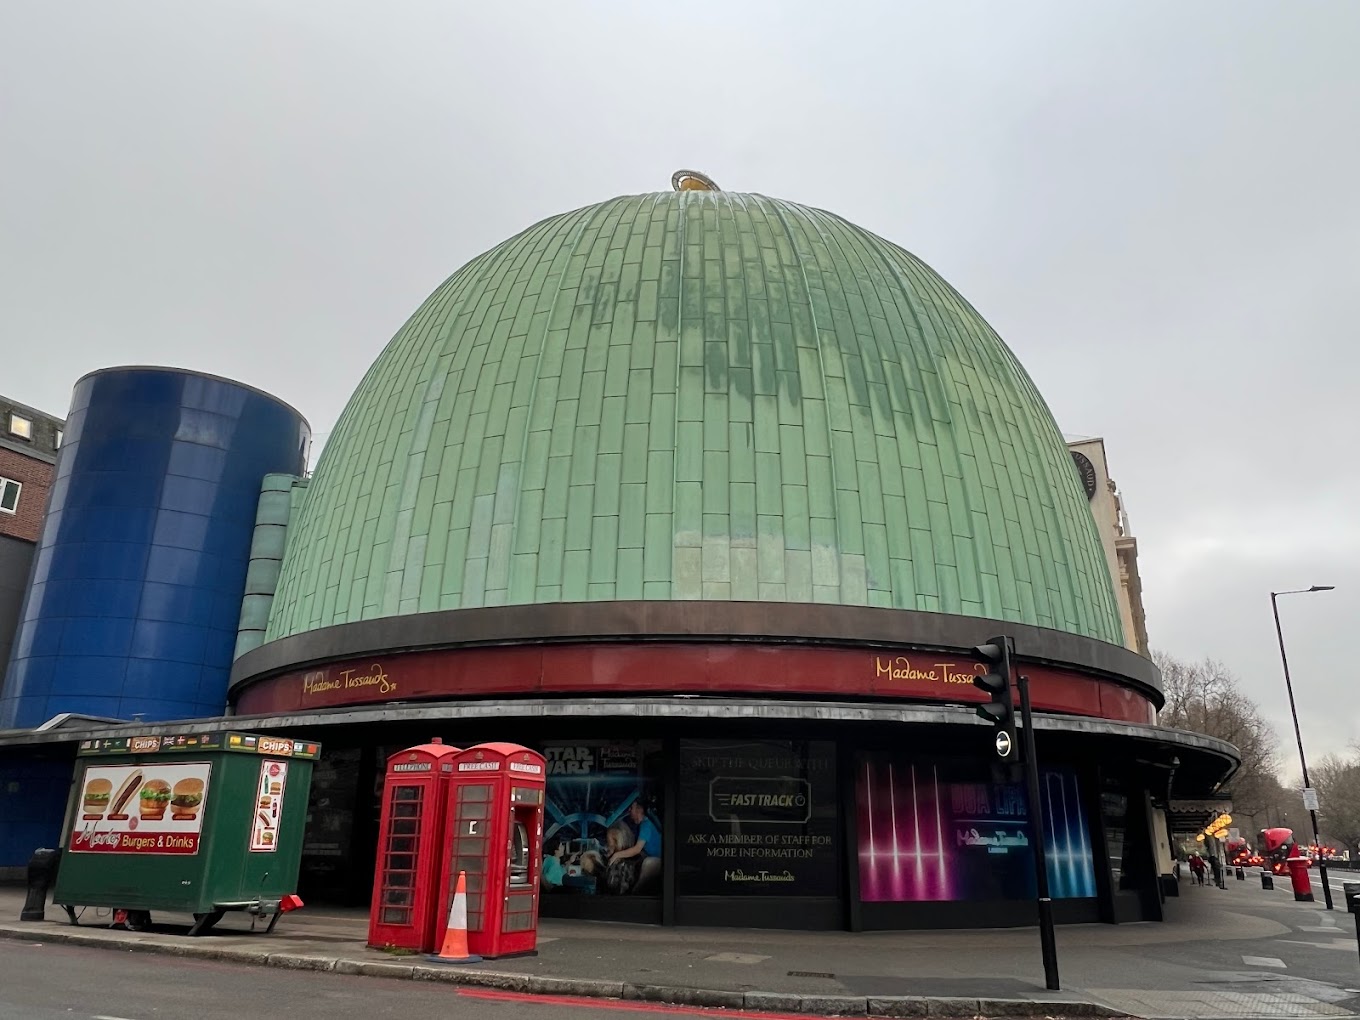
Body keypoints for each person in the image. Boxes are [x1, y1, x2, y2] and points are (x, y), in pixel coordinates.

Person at [609, 799, 662, 893]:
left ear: (639, 810)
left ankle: (635, 894)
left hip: (659, 860)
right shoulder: (643, 825)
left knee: (647, 864)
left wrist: (616, 855)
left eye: (631, 808)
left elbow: (637, 849)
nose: (629, 811)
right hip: (652, 856)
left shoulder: (646, 825)